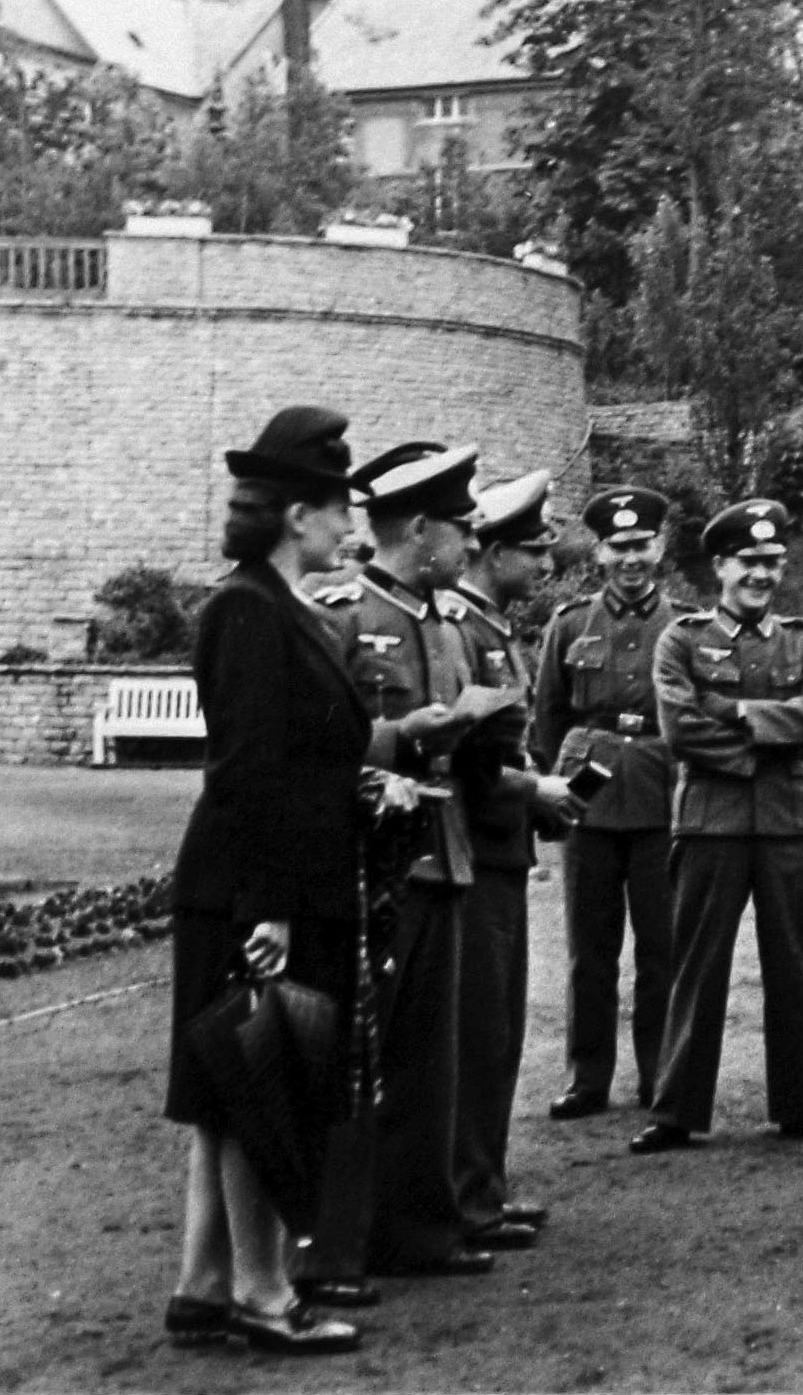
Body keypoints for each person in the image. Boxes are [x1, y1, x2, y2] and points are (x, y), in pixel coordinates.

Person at [162, 405, 369, 1355]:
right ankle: (263, 1292)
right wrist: (270, 910)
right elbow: (246, 771)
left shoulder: (276, 605)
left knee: (223, 1083)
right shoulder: (250, 609)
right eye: (339, 509)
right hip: (260, 887)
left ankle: (202, 1286)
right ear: (297, 514)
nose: (351, 528)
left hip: (261, 880)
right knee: (263, 1081)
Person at [305, 441, 514, 1293]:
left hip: (444, 852)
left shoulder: (448, 622)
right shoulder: (342, 613)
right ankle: (332, 1246)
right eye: (459, 528)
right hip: (370, 862)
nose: (471, 545)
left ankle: (419, 1229)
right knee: (358, 1059)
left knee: (432, 1059)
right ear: (418, 527)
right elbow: (314, 740)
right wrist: (409, 735)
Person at [627, 499, 803, 1153]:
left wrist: (729, 711)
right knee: (697, 966)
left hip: (788, 826)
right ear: (720, 565)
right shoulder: (682, 638)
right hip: (711, 825)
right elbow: (679, 728)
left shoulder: (802, 638)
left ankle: (797, 1105)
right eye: (749, 562)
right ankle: (675, 1110)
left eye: (772, 562)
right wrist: (767, 733)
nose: (761, 574)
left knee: (792, 965)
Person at [442, 468, 584, 1250]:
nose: (544, 565)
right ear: (493, 552)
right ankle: (465, 1196)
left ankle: (482, 1187)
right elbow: (468, 760)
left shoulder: (490, 627)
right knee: (477, 1030)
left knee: (497, 1032)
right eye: (532, 550)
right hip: (473, 849)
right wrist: (536, 787)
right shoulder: (462, 628)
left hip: (499, 852)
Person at [532, 486, 691, 1120]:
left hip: (659, 798)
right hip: (587, 801)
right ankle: (586, 1078)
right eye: (619, 547)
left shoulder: (684, 627)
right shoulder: (570, 623)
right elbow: (547, 714)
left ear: (661, 547)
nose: (632, 559)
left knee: (661, 948)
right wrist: (556, 791)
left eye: (642, 545)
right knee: (588, 951)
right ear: (599, 553)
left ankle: (660, 1075)